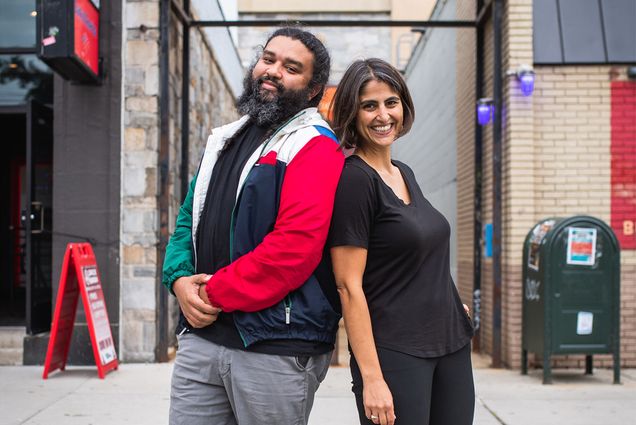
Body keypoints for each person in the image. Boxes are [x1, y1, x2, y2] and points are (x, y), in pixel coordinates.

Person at [161, 27, 344, 425]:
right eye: (269, 58)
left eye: (291, 67)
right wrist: (178, 280)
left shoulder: (314, 145)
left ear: (312, 90)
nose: (273, 70)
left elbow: (293, 249)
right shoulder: (223, 140)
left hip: (275, 345)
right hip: (203, 339)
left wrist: (209, 292)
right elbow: (186, 222)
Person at [328, 58, 475, 425]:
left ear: (403, 106)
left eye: (391, 102)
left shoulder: (403, 172)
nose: (383, 115)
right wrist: (372, 379)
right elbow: (348, 286)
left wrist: (452, 304)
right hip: (397, 351)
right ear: (352, 112)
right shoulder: (354, 181)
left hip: (450, 342)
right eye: (369, 105)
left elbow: (422, 253)